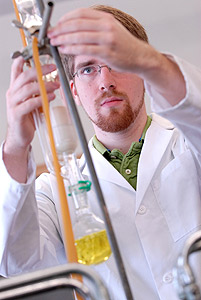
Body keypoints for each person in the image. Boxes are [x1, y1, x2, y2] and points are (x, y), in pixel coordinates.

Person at [1, 4, 201, 300]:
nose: (105, 81)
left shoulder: (189, 144)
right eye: (88, 69)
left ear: (142, 70)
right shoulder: (55, 191)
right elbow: (15, 260)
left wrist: (150, 60)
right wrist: (16, 144)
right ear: (75, 91)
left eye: (118, 61)